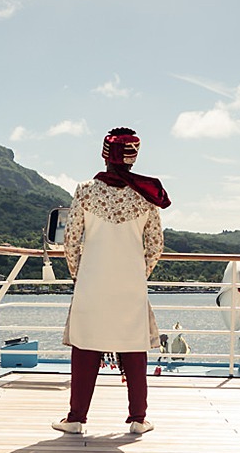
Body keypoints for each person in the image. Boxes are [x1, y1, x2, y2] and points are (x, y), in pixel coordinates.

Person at [54, 127, 168, 435]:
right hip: (130, 282)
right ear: (133, 156)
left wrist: (80, 273)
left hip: (92, 280)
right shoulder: (146, 195)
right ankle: (138, 419)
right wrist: (137, 272)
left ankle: (76, 418)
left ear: (105, 155)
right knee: (133, 348)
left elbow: (72, 239)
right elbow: (155, 245)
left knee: (85, 346)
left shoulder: (86, 190)